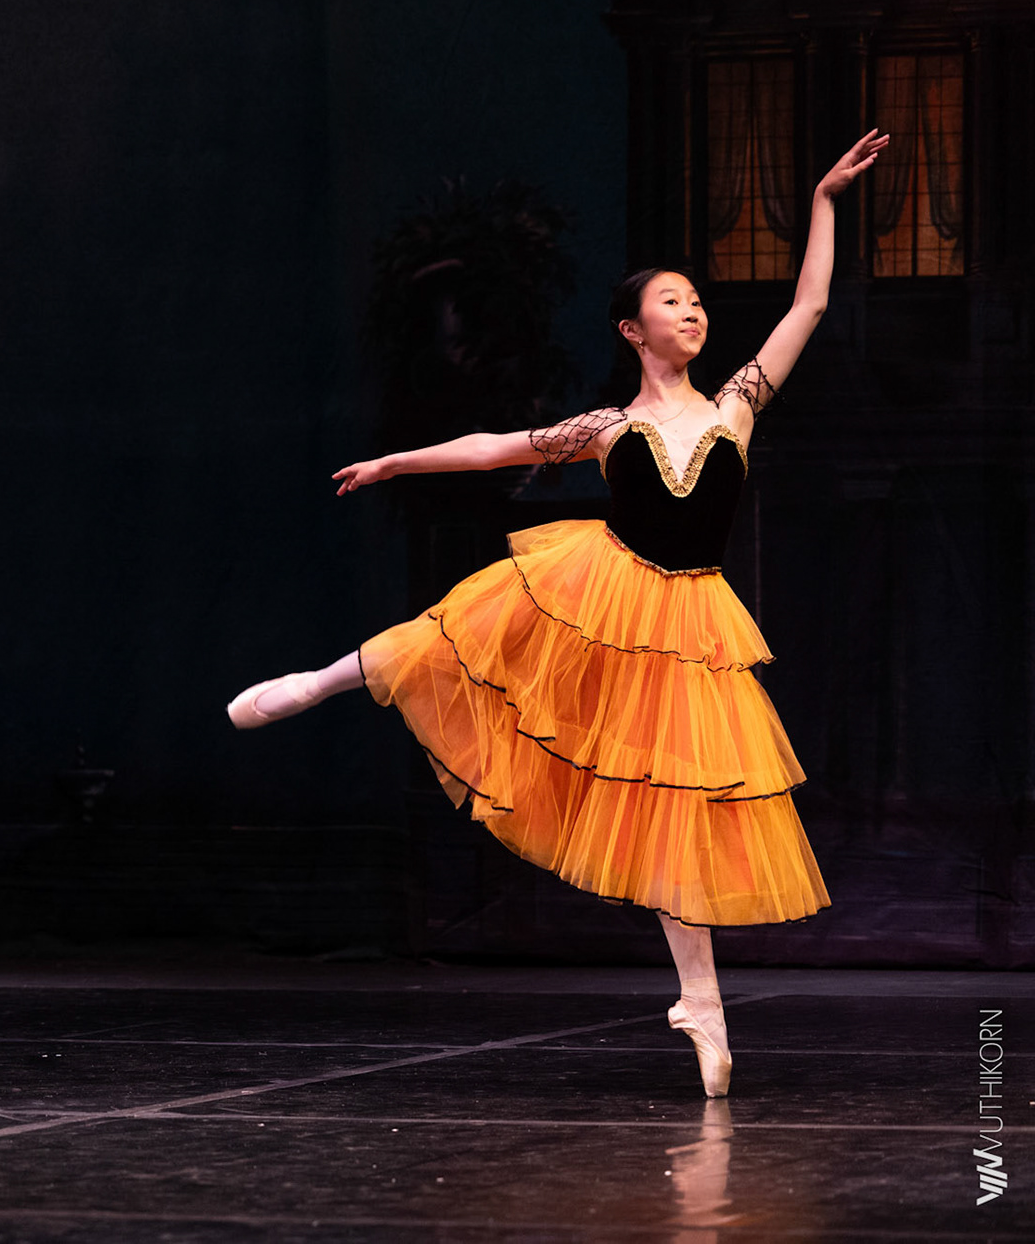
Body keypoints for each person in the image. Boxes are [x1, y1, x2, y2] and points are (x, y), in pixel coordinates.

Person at [228, 131, 888, 1098]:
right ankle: (321, 682)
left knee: (676, 806)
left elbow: (810, 306)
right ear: (633, 330)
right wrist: (397, 461)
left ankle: (701, 1003)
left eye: (697, 302)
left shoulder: (737, 408)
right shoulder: (608, 428)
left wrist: (824, 199)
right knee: (455, 633)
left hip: (688, 625)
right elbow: (496, 446)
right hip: (599, 591)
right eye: (673, 301)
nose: (692, 311)